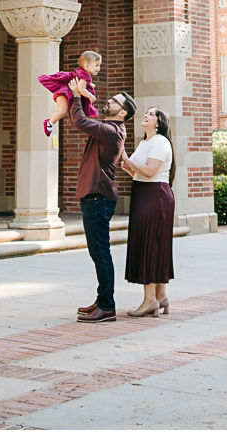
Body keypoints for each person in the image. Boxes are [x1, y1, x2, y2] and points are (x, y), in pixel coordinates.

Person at [67, 77, 137, 324]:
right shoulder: (110, 129)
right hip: (95, 196)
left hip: (98, 197)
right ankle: (102, 299)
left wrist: (75, 95)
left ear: (123, 112)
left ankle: (107, 307)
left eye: (115, 101)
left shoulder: (113, 131)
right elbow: (88, 116)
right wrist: (84, 96)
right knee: (98, 252)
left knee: (101, 253)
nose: (110, 100)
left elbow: (79, 121)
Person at [120, 105, 175, 317]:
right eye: (147, 112)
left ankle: (149, 300)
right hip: (145, 193)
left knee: (150, 244)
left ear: (159, 123)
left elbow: (151, 171)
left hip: (155, 195)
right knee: (155, 244)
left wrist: (126, 158)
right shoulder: (146, 142)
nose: (146, 115)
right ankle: (161, 296)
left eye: (151, 114)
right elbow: (140, 169)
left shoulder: (160, 141)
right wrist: (130, 167)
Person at [38, 50, 101, 136]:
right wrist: (90, 96)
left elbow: (82, 83)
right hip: (64, 93)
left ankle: (50, 123)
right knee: (62, 111)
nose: (99, 68)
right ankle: (49, 123)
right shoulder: (85, 76)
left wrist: (90, 85)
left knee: (63, 111)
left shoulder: (82, 73)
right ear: (87, 65)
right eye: (96, 65)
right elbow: (81, 89)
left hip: (64, 92)